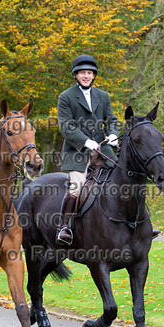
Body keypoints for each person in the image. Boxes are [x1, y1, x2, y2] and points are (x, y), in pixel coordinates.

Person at [56, 54, 120, 245]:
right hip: (77, 152)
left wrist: (114, 134)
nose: (86, 76)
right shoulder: (66, 97)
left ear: (94, 76)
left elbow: (111, 120)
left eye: (89, 73)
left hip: (103, 150)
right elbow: (66, 126)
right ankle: (64, 227)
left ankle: (143, 222)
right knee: (76, 187)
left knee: (128, 178)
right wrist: (85, 141)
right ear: (76, 75)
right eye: (82, 73)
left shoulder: (103, 96)